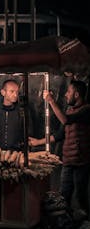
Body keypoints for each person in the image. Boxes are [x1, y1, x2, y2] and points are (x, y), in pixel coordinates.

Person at [29, 80, 90, 216]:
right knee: (64, 196)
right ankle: (65, 223)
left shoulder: (86, 110)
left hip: (81, 162)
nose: (66, 95)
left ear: (77, 94)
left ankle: (85, 226)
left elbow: (65, 120)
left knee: (81, 197)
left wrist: (51, 101)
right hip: (68, 161)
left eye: (68, 92)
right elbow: (59, 135)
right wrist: (38, 142)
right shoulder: (69, 110)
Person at [0, 79, 33, 151]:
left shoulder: (22, 111)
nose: (15, 95)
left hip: (17, 153)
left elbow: (29, 133)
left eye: (17, 92)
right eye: (12, 91)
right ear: (3, 92)